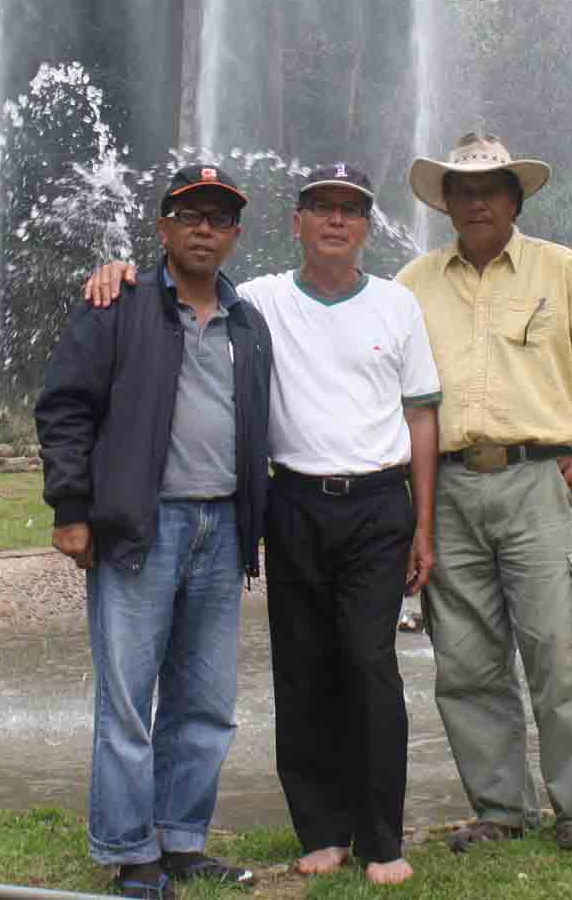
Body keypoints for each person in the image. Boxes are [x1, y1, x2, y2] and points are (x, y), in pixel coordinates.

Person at [83, 162, 441, 886]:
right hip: (293, 504)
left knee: (369, 667)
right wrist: (118, 269)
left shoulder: (396, 306)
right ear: (297, 223)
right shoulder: (263, 301)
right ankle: (321, 829)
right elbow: (179, 283)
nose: (337, 220)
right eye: (322, 208)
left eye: (351, 209)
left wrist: (423, 524)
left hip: (376, 506)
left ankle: (380, 835)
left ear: (368, 225)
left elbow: (422, 414)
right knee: (301, 668)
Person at [397, 132, 572, 854]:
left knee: (559, 650)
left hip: (540, 478)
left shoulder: (561, 271)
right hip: (445, 488)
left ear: (515, 198)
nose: (477, 201)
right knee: (466, 662)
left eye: (492, 188)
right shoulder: (413, 284)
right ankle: (501, 809)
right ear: (445, 202)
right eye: (463, 190)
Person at [36, 163, 272, 899]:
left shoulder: (246, 321)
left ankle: (181, 842)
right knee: (129, 699)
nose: (206, 227)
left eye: (220, 217)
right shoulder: (119, 303)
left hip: (222, 527)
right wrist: (71, 508)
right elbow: (65, 407)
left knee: (205, 701)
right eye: (190, 214)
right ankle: (130, 852)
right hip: (144, 525)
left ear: (235, 234)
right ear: (163, 227)